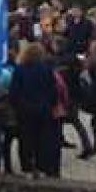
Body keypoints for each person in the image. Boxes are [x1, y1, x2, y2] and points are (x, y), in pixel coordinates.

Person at [8, 42, 57, 178]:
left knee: (25, 140)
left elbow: (14, 92)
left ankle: (27, 167)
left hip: (24, 110)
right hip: (43, 110)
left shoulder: (19, 69)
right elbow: (53, 91)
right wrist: (49, 105)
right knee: (41, 140)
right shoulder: (47, 70)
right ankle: (41, 167)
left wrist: (17, 105)